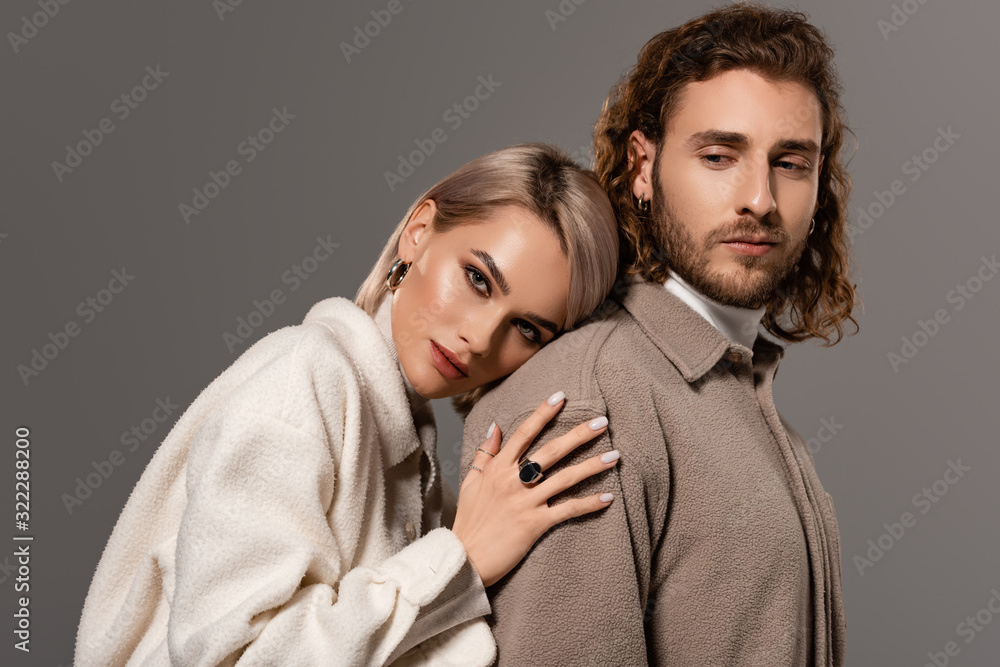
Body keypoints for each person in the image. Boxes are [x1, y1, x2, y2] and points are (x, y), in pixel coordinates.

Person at [74, 143, 621, 666]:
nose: (480, 338)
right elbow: (235, 658)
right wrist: (462, 558)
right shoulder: (304, 378)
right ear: (419, 232)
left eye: (526, 328)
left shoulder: (413, 456)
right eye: (477, 279)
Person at [460, 5, 857, 666]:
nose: (758, 197)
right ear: (643, 166)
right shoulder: (587, 407)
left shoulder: (736, 384)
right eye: (719, 155)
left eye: (791, 163)